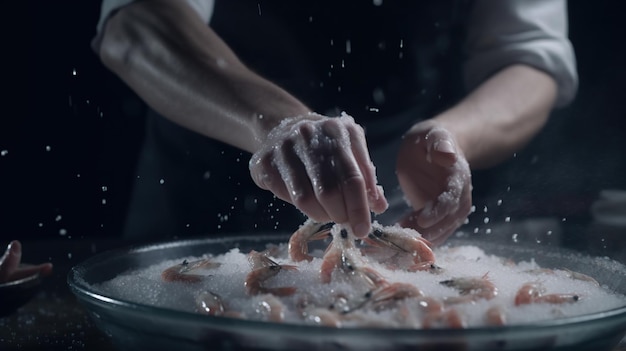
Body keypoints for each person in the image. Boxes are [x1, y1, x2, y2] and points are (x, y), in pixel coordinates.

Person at [92, 0, 577, 244]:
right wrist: (278, 123)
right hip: (200, 190)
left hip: (410, 204)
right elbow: (136, 24)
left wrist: (456, 136)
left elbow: (530, 60)